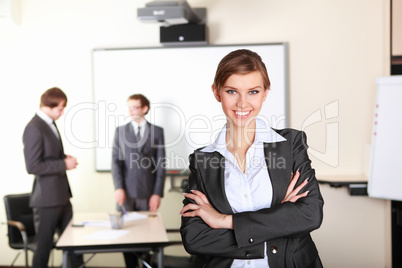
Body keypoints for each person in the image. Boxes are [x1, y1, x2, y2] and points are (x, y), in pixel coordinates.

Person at [180, 49, 324, 268]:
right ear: (217, 92)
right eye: (232, 91)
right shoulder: (202, 160)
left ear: (265, 93)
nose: (242, 103)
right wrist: (280, 219)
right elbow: (195, 238)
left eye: (253, 92)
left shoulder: (291, 144)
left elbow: (310, 214)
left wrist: (224, 221)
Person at [23, 87, 83, 268]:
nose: (62, 112)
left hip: (62, 196)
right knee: (43, 249)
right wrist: (63, 165)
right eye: (60, 108)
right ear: (48, 106)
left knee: (73, 246)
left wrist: (64, 159)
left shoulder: (49, 124)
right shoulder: (34, 127)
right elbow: (32, 166)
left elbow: (49, 157)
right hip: (47, 201)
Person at [112, 94, 166, 267]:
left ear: (145, 109)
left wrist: (157, 193)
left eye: (135, 107)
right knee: (125, 237)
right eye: (129, 107)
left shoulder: (157, 131)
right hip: (125, 193)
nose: (131, 111)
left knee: (146, 236)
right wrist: (118, 188)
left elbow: (160, 165)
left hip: (147, 193)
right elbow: (115, 162)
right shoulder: (120, 131)